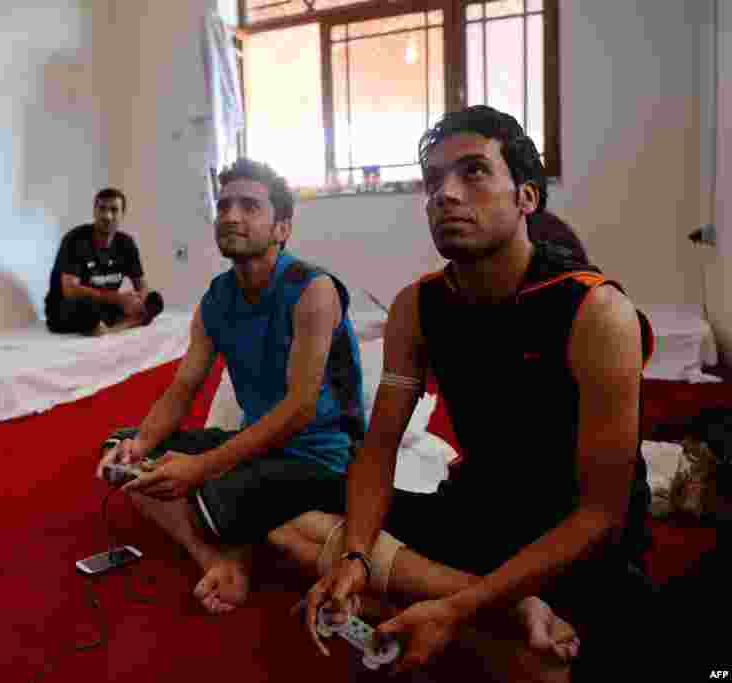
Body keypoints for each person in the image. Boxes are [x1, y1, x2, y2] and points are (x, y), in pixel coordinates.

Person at [298, 105, 656, 681]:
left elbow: (601, 515)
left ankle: (460, 613)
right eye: (433, 181)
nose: (446, 194)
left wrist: (453, 606)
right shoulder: (417, 306)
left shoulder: (595, 312)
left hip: (571, 541)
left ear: (527, 198)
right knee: (293, 520)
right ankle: (500, 613)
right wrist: (357, 557)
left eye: (473, 173)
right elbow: (380, 446)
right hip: (480, 509)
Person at [95, 158, 366, 614]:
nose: (231, 216)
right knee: (122, 454)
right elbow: (183, 388)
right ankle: (219, 561)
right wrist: (141, 444)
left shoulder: (312, 290)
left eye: (249, 207)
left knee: (208, 497)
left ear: (282, 228)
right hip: (256, 445)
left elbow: (300, 409)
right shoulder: (216, 299)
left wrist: (201, 467)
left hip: (320, 455)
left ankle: (227, 537)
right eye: (223, 207)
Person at [44, 188, 163, 335]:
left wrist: (138, 302)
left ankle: (111, 327)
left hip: (105, 305)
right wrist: (119, 299)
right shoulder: (75, 240)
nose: (107, 216)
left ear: (122, 215)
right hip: (68, 307)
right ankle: (123, 323)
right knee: (87, 308)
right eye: (102, 209)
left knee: (155, 300)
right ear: (94, 211)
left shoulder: (126, 244)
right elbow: (70, 290)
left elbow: (142, 286)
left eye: (114, 210)